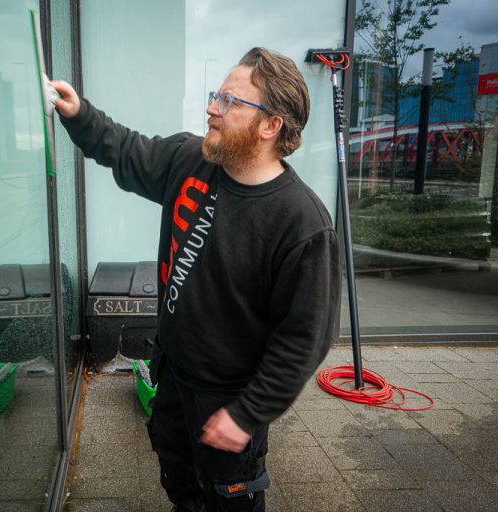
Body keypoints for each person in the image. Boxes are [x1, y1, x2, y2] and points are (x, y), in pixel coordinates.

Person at [52, 47, 341, 512]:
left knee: (230, 501)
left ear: (271, 126)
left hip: (228, 397)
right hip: (171, 371)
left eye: (230, 101)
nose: (212, 108)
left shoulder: (301, 223)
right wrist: (79, 114)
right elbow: (127, 149)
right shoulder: (191, 160)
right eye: (215, 96)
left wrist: (247, 414)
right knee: (179, 481)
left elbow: (304, 338)